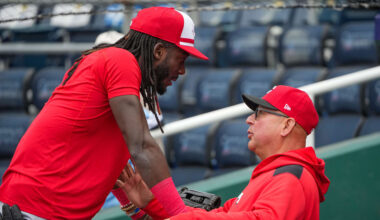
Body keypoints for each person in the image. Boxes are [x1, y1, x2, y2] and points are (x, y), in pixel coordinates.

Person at [0, 6, 207, 219]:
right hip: (31, 210)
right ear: (159, 51)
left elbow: (116, 170)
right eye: (181, 60)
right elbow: (143, 146)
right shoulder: (120, 60)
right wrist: (182, 215)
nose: (182, 71)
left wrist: (139, 214)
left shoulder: (115, 74)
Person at [116, 85, 331, 220]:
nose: (249, 119)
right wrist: (151, 202)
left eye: (259, 113)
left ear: (286, 126)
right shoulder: (276, 174)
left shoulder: (291, 175)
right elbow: (223, 214)